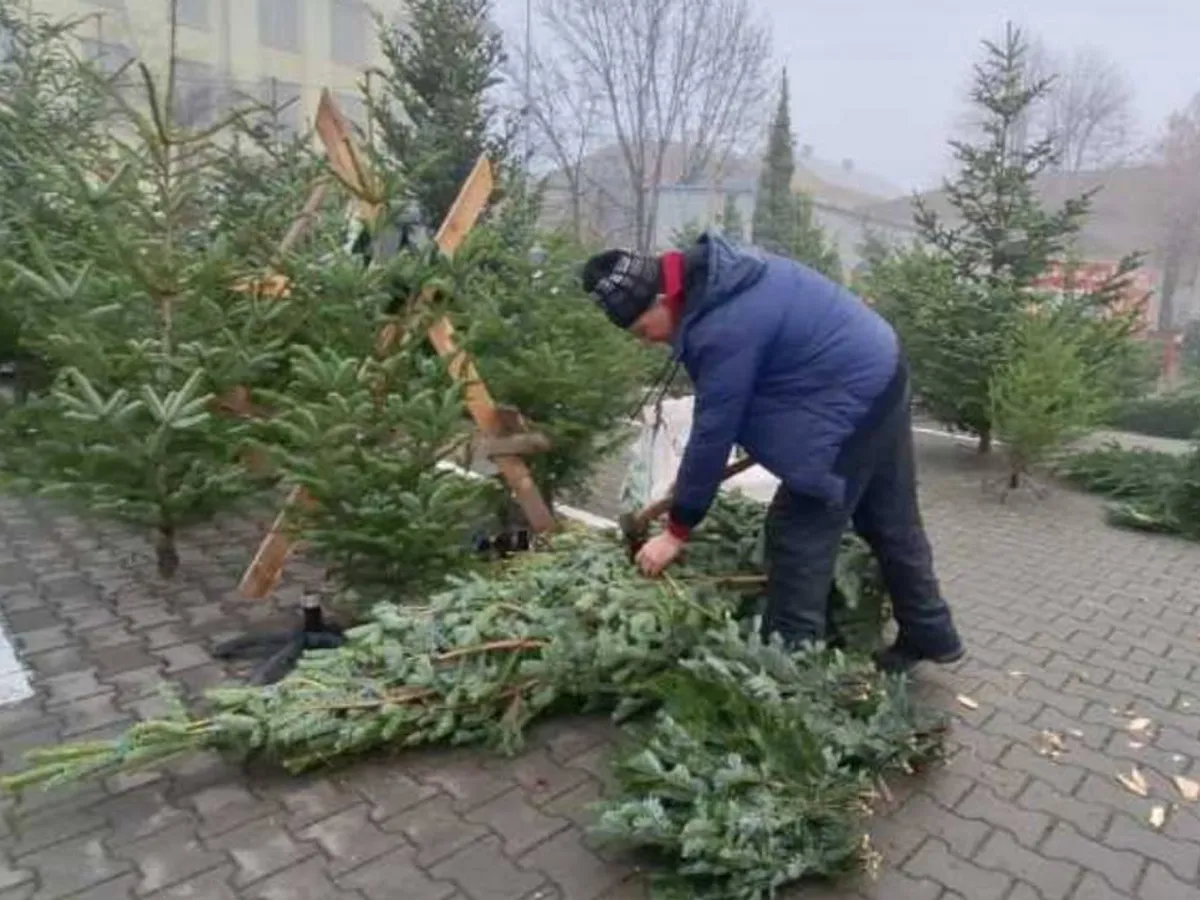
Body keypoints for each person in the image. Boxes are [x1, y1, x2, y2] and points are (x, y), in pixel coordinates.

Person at [580, 231, 964, 673]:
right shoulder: (719, 276)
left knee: (797, 531)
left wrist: (676, 530)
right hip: (880, 366)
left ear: (664, 297)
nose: (645, 341)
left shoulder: (720, 326)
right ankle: (930, 631)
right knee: (888, 516)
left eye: (642, 330)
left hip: (852, 395)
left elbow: (713, 432)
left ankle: (790, 673)